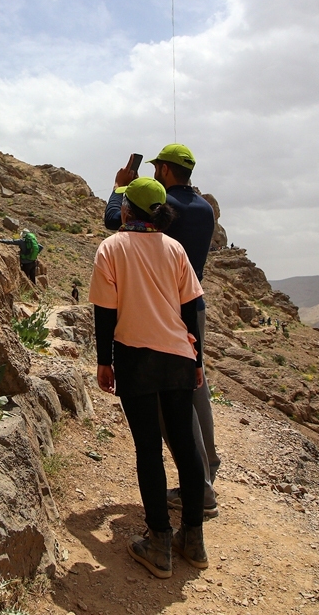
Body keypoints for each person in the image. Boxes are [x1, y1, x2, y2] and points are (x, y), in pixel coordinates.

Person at [92, 177, 208, 578]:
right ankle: (193, 539)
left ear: (126, 210)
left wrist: (103, 361)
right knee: (185, 445)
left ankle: (159, 542)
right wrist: (197, 361)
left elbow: (105, 312)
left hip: (135, 357)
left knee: (148, 449)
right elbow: (190, 308)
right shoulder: (175, 248)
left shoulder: (112, 247)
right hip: (178, 355)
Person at [105, 144, 220, 517]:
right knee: (197, 391)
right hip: (193, 306)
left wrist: (121, 188)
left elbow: (115, 221)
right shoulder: (205, 209)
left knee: (172, 410)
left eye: (157, 168)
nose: (155, 172)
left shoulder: (164, 206)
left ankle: (201, 491)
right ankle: (208, 469)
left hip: (163, 312)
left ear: (166, 171)